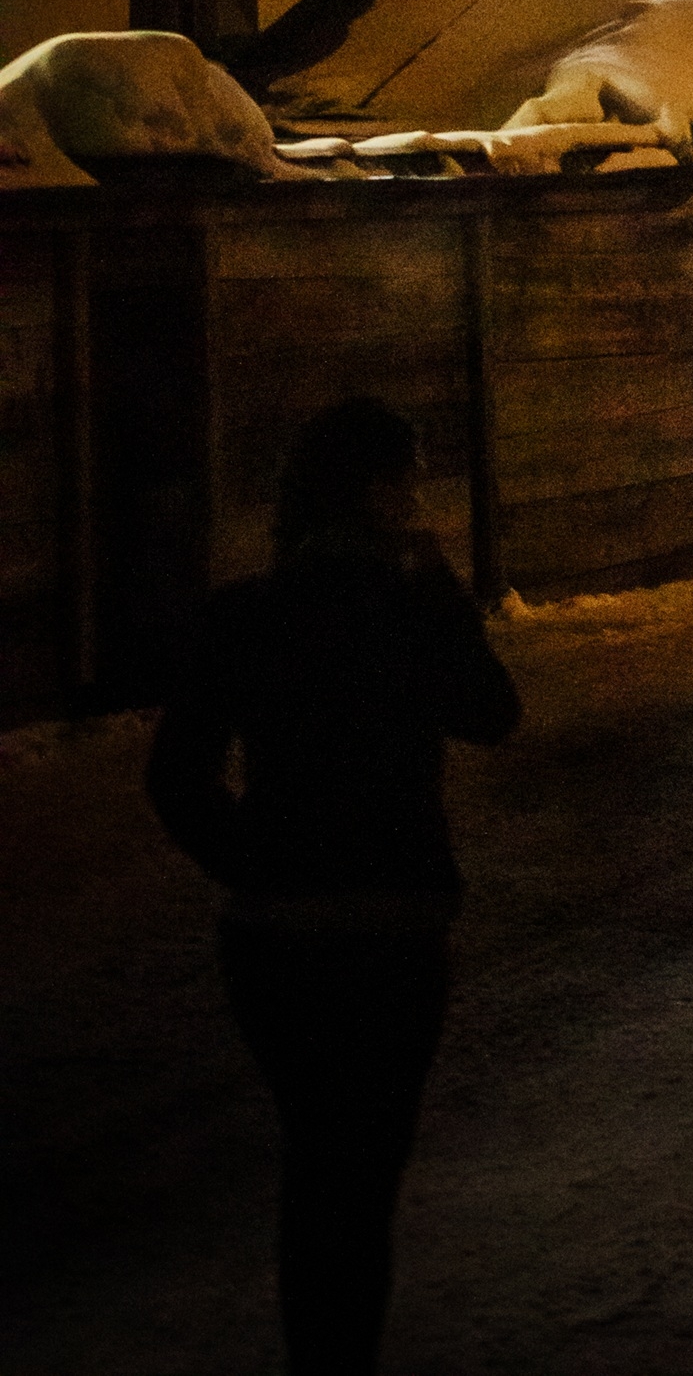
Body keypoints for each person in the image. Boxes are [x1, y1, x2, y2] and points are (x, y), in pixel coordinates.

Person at [144, 395, 520, 1376]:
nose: (421, 498)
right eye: (411, 478)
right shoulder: (407, 611)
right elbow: (492, 712)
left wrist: (256, 859)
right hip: (390, 925)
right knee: (361, 1169)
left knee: (318, 1155)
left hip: (273, 936)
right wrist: (444, 592)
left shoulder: (245, 614)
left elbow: (177, 777)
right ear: (378, 490)